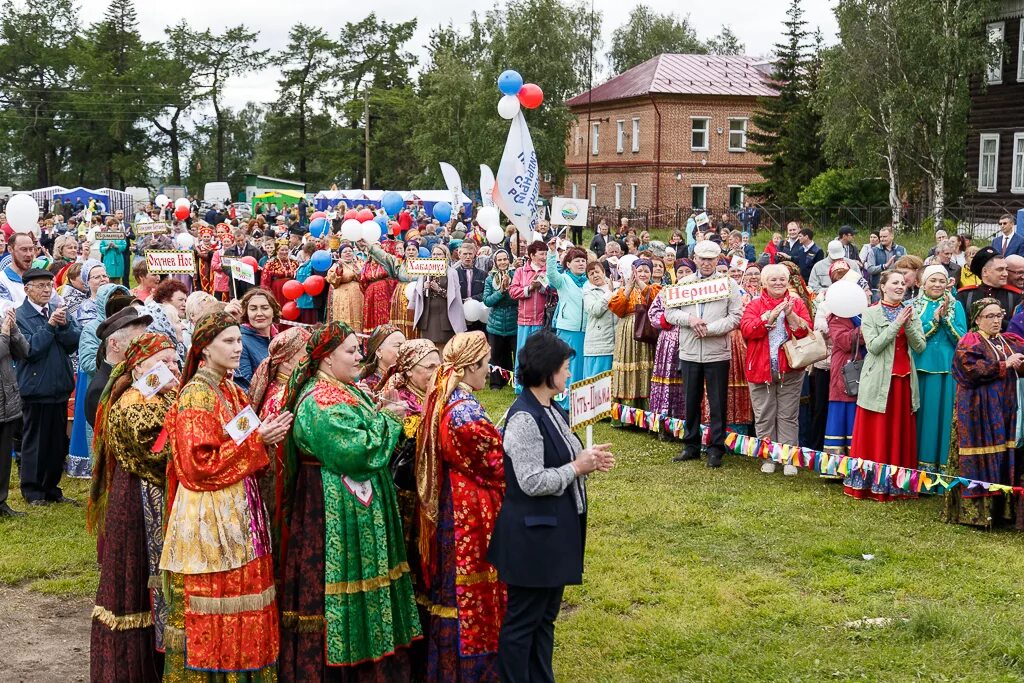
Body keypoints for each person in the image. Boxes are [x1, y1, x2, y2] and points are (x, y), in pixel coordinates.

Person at [277, 321, 421, 681]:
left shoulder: (344, 389)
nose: (360, 356)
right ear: (326, 359)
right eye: (352, 351)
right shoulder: (320, 400)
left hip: (354, 508)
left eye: (359, 349)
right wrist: (388, 419)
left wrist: (375, 413)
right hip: (331, 512)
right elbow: (358, 452)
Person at [160, 311, 293, 680]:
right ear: (204, 348)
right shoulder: (195, 397)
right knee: (216, 600)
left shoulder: (233, 390)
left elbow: (239, 437)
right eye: (229, 342)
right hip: (209, 513)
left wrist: (264, 433)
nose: (238, 348)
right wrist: (259, 440)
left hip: (241, 510)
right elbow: (197, 465)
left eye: (238, 340)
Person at [488, 330, 615, 683]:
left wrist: (586, 458)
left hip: (550, 534)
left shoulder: (551, 408)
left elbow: (560, 455)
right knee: (523, 622)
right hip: (533, 538)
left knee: (544, 619)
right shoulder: (525, 418)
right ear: (547, 370)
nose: (570, 373)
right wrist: (576, 467)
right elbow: (531, 481)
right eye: (565, 367)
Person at [88, 333, 179, 683]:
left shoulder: (165, 393)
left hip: (158, 498)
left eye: (175, 360)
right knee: (138, 574)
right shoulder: (133, 403)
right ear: (141, 366)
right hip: (139, 503)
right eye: (165, 361)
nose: (173, 367)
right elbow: (158, 457)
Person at [415, 331, 506, 680]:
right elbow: (497, 464)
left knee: (452, 586)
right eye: (486, 365)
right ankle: (469, 669)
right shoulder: (464, 412)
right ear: (469, 367)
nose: (489, 371)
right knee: (467, 591)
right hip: (468, 508)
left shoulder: (446, 398)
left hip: (455, 499)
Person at [843, 271, 926, 501]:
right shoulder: (870, 313)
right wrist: (896, 324)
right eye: (895, 283)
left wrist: (907, 325)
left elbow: (920, 346)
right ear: (883, 287)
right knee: (877, 433)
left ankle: (899, 486)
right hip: (879, 382)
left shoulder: (911, 311)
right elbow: (874, 347)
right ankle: (871, 485)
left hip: (904, 382)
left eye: (903, 283)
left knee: (899, 433)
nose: (900, 286)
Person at [946, 298, 1024, 529]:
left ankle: (1001, 513)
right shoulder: (971, 341)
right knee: (980, 457)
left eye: (999, 315)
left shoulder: (1008, 341)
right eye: (990, 316)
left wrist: (1019, 363)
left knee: (1002, 455)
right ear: (978, 318)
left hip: (1004, 410)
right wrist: (1004, 365)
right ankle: (977, 515)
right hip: (976, 410)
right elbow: (969, 370)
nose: (996, 320)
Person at [664, 241, 743, 467]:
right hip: (689, 351)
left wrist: (710, 328)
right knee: (691, 400)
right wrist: (690, 321)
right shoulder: (684, 283)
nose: (706, 263)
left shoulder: (728, 285)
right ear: (695, 259)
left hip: (717, 351)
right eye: (702, 258)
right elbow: (670, 313)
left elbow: (735, 317)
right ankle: (691, 444)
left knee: (717, 402)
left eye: (711, 259)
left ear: (718, 260)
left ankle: (716, 447)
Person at [247, 325, 310, 573]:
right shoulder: (281, 394)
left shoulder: (283, 388)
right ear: (287, 361)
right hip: (279, 480)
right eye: (306, 353)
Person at [740, 264, 814, 475]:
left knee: (788, 414)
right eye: (773, 280)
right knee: (764, 414)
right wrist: (768, 318)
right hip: (760, 368)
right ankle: (768, 456)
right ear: (764, 283)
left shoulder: (797, 303)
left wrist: (791, 316)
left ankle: (789, 458)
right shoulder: (754, 304)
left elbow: (806, 332)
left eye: (782, 279)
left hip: (790, 369)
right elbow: (746, 330)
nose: (778, 283)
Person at [16, 268, 82, 505]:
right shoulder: (19, 316)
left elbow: (73, 344)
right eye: (41, 286)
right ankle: (32, 490)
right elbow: (29, 350)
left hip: (59, 386)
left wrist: (64, 326)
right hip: (35, 389)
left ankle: (51, 487)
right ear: (27, 289)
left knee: (56, 442)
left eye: (49, 285)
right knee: (35, 441)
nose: (46, 290)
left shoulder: (56, 310)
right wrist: (51, 326)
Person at [911, 265, 967, 472]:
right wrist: (934, 321)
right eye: (932, 280)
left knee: (944, 418)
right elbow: (914, 338)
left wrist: (946, 319)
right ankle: (919, 469)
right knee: (923, 417)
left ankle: (943, 470)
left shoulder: (956, 306)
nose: (937, 284)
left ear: (948, 284)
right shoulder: (914, 305)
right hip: (921, 367)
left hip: (948, 369)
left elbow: (963, 339)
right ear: (923, 283)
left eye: (941, 281)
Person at [608, 259, 662, 420]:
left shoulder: (655, 288)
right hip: (627, 334)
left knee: (647, 366)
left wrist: (640, 284)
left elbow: (657, 299)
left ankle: (647, 412)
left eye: (646, 271)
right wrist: (630, 287)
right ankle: (626, 413)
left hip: (647, 332)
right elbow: (616, 308)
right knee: (627, 365)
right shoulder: (623, 289)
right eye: (639, 271)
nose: (643, 274)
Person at [85, 307, 153, 429]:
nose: (146, 348)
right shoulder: (101, 388)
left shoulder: (135, 372)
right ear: (114, 344)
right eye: (138, 342)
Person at [823, 265, 865, 458]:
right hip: (845, 368)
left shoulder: (862, 313)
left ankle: (858, 456)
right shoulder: (836, 316)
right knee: (844, 406)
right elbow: (844, 341)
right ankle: (839, 462)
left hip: (862, 364)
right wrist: (865, 330)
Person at [546, 242, 588, 393]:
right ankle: (564, 400)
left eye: (583, 260)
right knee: (567, 365)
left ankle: (580, 400)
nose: (581, 263)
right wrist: (552, 254)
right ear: (568, 264)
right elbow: (551, 275)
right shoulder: (563, 280)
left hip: (586, 330)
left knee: (581, 366)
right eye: (577, 260)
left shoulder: (589, 282)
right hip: (568, 328)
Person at [509, 241, 548, 390]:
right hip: (524, 319)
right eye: (541, 254)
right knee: (523, 351)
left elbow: (555, 292)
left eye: (546, 254)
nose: (544, 257)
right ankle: (520, 384)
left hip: (541, 319)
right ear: (532, 255)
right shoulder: (521, 271)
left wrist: (544, 288)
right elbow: (513, 292)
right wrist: (530, 288)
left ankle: (537, 383)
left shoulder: (547, 271)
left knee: (539, 353)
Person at [412, 244, 466, 353]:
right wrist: (424, 288)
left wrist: (439, 290)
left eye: (439, 254)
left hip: (444, 317)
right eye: (434, 254)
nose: (436, 256)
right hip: (427, 316)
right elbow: (418, 293)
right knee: (428, 347)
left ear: (445, 256)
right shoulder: (426, 270)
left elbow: (454, 296)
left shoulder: (451, 272)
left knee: (443, 348)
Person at [0, 305, 27, 517]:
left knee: (3, 457)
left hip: (7, 401)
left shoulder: (3, 325)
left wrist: (14, 328)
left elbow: (24, 351)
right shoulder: (2, 331)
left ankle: (1, 502)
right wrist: (4, 334)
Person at [956, 246, 1020, 330]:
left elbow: (1018, 329)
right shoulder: (965, 296)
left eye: (1006, 269)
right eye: (1000, 269)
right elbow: (960, 328)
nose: (1005, 274)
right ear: (985, 271)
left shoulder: (1015, 296)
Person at [368, 240, 418, 339]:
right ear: (405, 251)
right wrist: (370, 246)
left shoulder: (424, 265)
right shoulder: (399, 262)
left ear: (418, 252)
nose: (411, 252)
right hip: (400, 295)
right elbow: (385, 257)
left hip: (417, 296)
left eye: (413, 249)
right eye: (408, 250)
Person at [483, 249, 517, 389]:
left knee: (514, 353)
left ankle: (513, 380)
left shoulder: (515, 275)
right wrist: (501, 291)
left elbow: (517, 298)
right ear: (495, 262)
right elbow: (487, 301)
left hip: (513, 320)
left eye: (505, 259)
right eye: (500, 260)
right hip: (495, 323)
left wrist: (508, 291)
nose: (503, 262)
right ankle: (496, 382)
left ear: (509, 260)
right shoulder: (490, 278)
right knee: (495, 354)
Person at [235, 287, 280, 391]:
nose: (259, 313)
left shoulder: (280, 339)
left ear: (274, 311)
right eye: (253, 309)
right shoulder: (241, 342)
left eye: (265, 308)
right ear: (246, 313)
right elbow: (245, 387)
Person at [582, 260, 616, 379]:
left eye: (597, 271)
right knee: (596, 381)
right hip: (599, 345)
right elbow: (595, 311)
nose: (595, 275)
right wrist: (609, 294)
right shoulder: (588, 292)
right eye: (591, 274)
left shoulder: (616, 287)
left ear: (603, 272)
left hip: (616, 343)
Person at [325, 243, 364, 330]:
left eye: (350, 251)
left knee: (359, 316)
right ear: (340, 255)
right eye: (345, 251)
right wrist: (339, 268)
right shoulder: (335, 266)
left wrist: (358, 273)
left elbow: (365, 277)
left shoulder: (359, 264)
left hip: (358, 296)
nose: (348, 253)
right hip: (342, 297)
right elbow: (331, 280)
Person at [360, 323, 406, 390]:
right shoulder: (369, 386)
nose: (404, 350)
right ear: (379, 352)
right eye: (398, 346)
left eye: (405, 345)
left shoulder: (408, 379)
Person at [455, 241, 488, 333]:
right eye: (465, 254)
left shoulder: (483, 274)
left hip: (478, 315)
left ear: (474, 255)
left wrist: (472, 299)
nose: (468, 257)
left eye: (470, 254)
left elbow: (486, 293)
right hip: (459, 314)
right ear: (459, 255)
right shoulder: (454, 273)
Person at [864, 227, 907, 293]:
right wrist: (884, 266)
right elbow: (870, 269)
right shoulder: (873, 251)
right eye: (880, 237)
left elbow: (906, 268)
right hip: (878, 289)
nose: (882, 239)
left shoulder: (901, 250)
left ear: (892, 236)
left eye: (884, 237)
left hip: (897, 288)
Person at [259, 238, 298, 307]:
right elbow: (265, 281)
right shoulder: (271, 263)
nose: (284, 252)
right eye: (282, 250)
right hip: (277, 291)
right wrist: (267, 295)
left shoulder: (294, 262)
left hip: (291, 291)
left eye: (286, 250)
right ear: (277, 251)